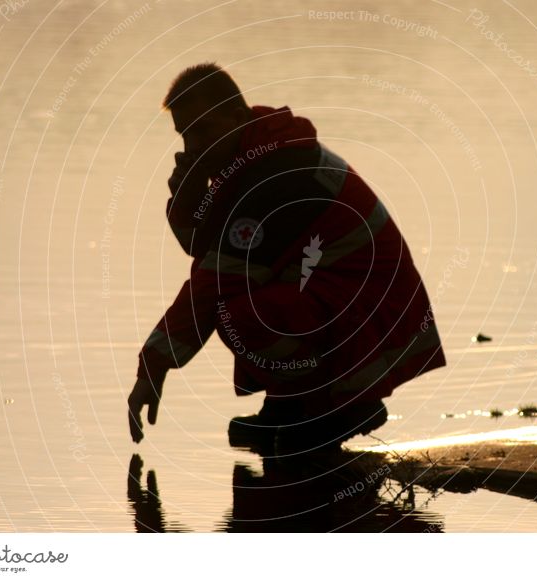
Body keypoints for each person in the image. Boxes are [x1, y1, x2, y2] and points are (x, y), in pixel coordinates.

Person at [127, 63, 445, 455]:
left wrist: (153, 366)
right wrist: (188, 199)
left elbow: (215, 278)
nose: (193, 147)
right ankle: (293, 405)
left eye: (204, 130)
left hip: (371, 313)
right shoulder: (254, 155)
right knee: (244, 297)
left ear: (237, 117)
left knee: (238, 311)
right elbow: (208, 250)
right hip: (354, 302)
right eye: (185, 135)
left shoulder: (272, 175)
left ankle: (340, 407)